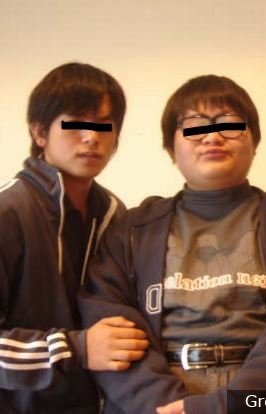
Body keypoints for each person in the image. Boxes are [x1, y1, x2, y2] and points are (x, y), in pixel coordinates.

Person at [79, 74, 266, 414]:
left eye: (230, 125)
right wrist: (166, 408)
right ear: (171, 148)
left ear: (254, 141)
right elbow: (111, 332)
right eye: (194, 128)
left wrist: (223, 407)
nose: (213, 137)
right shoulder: (131, 232)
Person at [0, 63, 149, 413]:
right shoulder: (8, 211)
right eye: (75, 123)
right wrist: (77, 348)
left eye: (104, 125)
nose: (91, 137)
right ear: (40, 132)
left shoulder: (113, 213)